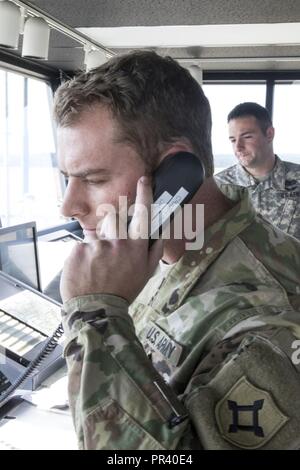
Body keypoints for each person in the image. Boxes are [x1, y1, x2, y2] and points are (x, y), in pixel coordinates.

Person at [54, 52, 300, 450]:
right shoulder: (155, 255)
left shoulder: (263, 323)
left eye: (94, 179)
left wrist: (94, 314)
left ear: (176, 175)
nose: (69, 207)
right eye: (68, 179)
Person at [215, 102, 300, 240]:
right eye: (233, 140)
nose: (238, 147)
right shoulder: (219, 187)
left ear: (269, 134)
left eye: (247, 137)